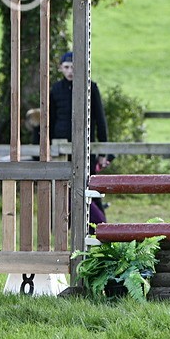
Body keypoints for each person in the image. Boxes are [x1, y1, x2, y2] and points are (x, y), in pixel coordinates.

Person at [49, 51, 110, 223]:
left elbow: (100, 120)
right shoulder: (55, 89)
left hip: (85, 146)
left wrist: (103, 150)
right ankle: (61, 223)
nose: (70, 71)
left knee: (90, 186)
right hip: (60, 146)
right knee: (61, 187)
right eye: (67, 67)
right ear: (61, 68)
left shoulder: (91, 87)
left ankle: (99, 225)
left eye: (73, 67)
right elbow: (51, 119)